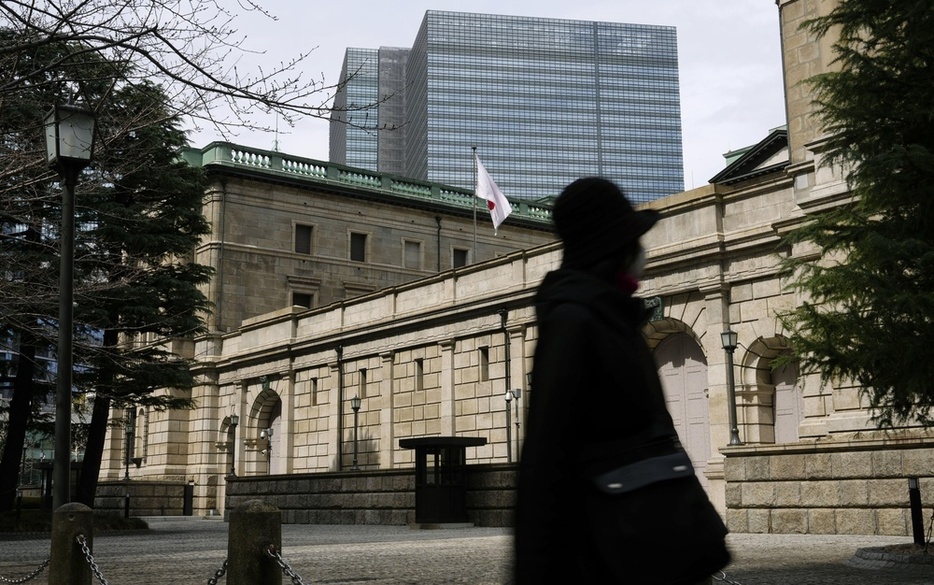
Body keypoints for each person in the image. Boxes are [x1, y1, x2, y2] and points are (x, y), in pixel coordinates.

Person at [514, 178, 729, 584]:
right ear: (614, 248)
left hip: (646, 542)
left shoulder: (612, 315)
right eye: (633, 239)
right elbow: (545, 457)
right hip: (615, 550)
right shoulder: (576, 320)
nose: (642, 250)